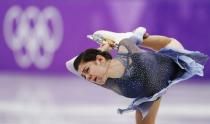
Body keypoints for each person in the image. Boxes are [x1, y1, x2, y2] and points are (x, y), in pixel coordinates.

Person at [66, 27, 208, 124]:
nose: (88, 78)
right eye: (84, 77)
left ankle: (127, 36)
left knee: (142, 40)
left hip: (169, 56)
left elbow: (140, 32)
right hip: (151, 93)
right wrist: (101, 50)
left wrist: (136, 35)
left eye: (87, 71)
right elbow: (70, 65)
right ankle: (128, 38)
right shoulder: (100, 79)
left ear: (100, 60)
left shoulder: (128, 52)